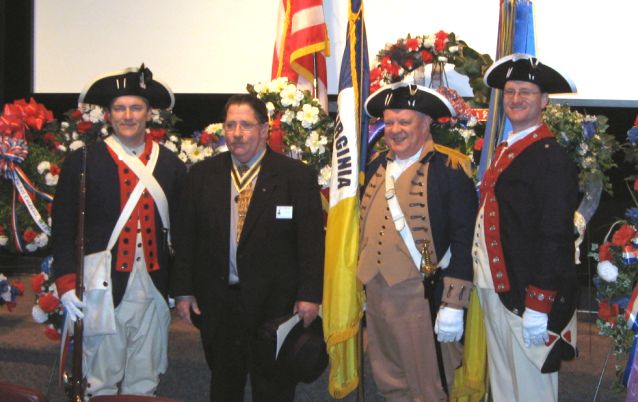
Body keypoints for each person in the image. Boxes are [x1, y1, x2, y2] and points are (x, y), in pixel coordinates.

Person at [171, 93, 324, 402]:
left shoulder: (296, 177)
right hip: (219, 304)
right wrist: (183, 290)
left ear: (264, 130)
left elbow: (311, 242)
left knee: (274, 389)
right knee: (224, 385)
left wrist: (310, 295)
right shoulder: (201, 176)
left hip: (276, 306)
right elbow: (186, 238)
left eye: (246, 125)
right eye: (230, 125)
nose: (237, 134)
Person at [52, 65, 187, 399]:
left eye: (136, 107)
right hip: (102, 288)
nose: (128, 115)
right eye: (120, 108)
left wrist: (181, 286)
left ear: (149, 113)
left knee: (146, 380)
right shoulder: (83, 160)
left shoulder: (169, 163)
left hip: (154, 286)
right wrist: (67, 282)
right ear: (108, 114)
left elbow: (183, 233)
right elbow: (64, 226)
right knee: (100, 380)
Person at [359, 82, 478, 401]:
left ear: (426, 123)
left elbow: (464, 240)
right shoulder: (374, 166)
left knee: (429, 385)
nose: (395, 130)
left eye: (405, 122)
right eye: (389, 122)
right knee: (389, 379)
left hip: (421, 296)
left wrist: (454, 302)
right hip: (378, 290)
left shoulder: (450, 169)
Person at [474, 53, 579, 401]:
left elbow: (555, 235)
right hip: (498, 288)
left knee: (531, 390)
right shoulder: (507, 149)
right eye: (510, 92)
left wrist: (539, 302)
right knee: (504, 384)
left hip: (525, 294)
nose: (515, 99)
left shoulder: (550, 156)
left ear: (544, 100)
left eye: (526, 92)